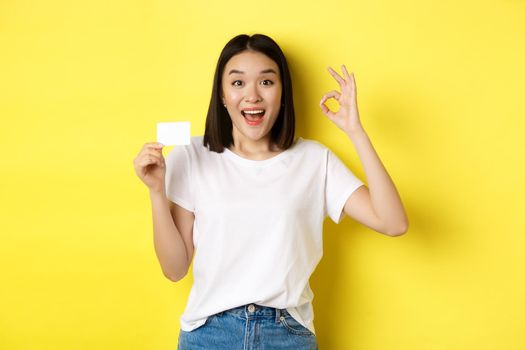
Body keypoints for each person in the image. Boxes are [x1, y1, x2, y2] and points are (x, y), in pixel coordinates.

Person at [133, 33, 408, 349]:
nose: (252, 95)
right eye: (237, 83)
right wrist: (156, 191)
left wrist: (355, 131)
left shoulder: (314, 160)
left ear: (282, 93)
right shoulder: (192, 155)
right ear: (222, 95)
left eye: (266, 82)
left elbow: (393, 223)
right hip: (209, 335)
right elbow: (174, 268)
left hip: (286, 334)